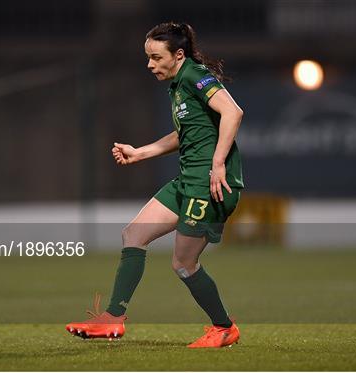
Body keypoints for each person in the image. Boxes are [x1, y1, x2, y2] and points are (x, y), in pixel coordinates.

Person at [66, 22, 244, 348]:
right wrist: (141, 152)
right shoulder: (177, 84)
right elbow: (184, 134)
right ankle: (113, 319)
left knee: (183, 264)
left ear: (178, 55)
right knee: (133, 234)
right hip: (188, 182)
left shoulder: (193, 75)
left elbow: (232, 112)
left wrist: (218, 164)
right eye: (147, 57)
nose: (150, 64)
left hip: (210, 185)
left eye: (155, 57)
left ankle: (224, 327)